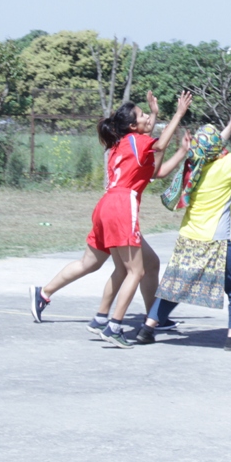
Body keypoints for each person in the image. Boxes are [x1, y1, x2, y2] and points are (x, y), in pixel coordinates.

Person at [30, 92, 191, 348]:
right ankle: (114, 326)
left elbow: (157, 170)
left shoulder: (123, 144)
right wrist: (179, 113)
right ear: (132, 125)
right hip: (121, 207)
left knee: (137, 264)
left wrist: (181, 148)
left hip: (106, 206)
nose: (148, 117)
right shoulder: (135, 141)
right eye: (143, 115)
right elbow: (158, 145)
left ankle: (112, 317)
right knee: (135, 271)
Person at [136, 101, 231, 351]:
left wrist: (229, 127)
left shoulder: (194, 165)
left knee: (175, 286)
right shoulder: (227, 166)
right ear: (217, 149)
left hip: (189, 237)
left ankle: (147, 329)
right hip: (215, 240)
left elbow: (208, 147)